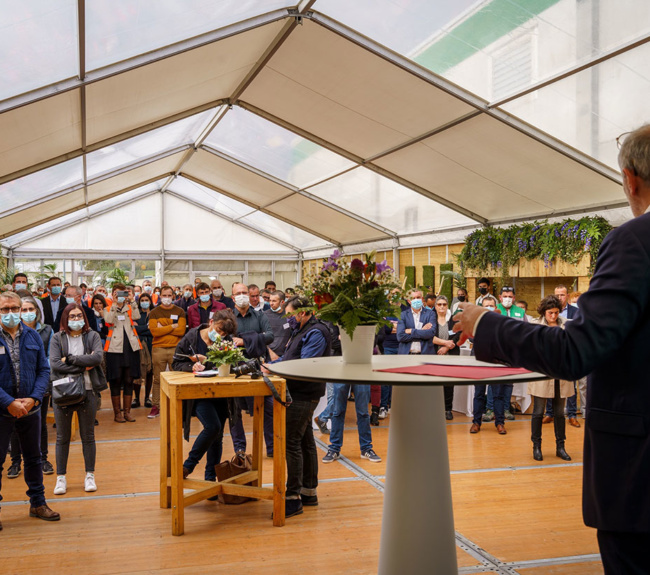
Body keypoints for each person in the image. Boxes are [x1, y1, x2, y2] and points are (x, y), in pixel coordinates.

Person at [452, 122, 650, 575]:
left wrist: (486, 324)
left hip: (640, 477)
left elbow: (576, 351)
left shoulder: (636, 241)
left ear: (630, 180)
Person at [264, 296, 332, 518]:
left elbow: (303, 365)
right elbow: (289, 356)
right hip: (299, 392)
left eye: (290, 314)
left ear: (303, 313)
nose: (288, 319)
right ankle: (308, 492)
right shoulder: (301, 330)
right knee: (304, 440)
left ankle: (292, 499)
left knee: (291, 442)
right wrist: (268, 366)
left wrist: (273, 370)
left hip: (303, 393)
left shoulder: (316, 332)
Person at [0, 291, 60, 526]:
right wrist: (9, 402)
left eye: (15, 308)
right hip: (2, 409)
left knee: (34, 458)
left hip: (30, 409)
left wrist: (34, 398)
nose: (11, 313)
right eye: (5, 309)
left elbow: (43, 370)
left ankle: (38, 503)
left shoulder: (33, 336)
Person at [172, 310, 238, 481]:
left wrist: (215, 362)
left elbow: (233, 363)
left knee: (217, 437)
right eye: (218, 329)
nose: (221, 335)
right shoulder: (191, 338)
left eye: (224, 333)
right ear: (211, 322)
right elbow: (176, 363)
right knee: (212, 427)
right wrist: (191, 366)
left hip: (221, 394)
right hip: (199, 394)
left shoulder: (226, 340)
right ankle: (188, 465)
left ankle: (210, 479)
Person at [49, 303, 104, 495]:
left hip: (88, 391)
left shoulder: (93, 336)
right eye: (71, 316)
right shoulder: (57, 338)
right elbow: (55, 364)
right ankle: (61, 478)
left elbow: (97, 358)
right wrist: (82, 364)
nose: (75, 319)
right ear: (65, 319)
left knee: (88, 436)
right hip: (63, 392)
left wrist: (70, 359)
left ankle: (90, 475)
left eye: (78, 316)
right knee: (62, 438)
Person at [6, 296, 54, 479]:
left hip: (37, 388)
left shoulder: (44, 331)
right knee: (13, 427)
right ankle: (15, 462)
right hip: (12, 391)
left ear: (37, 311)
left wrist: (36, 392)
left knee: (39, 425)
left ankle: (43, 459)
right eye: (23, 309)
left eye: (29, 309)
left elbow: (46, 361)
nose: (27, 313)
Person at [526, 296, 574, 462]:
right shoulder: (534, 325)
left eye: (555, 313)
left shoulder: (567, 324)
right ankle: (536, 446)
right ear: (543, 312)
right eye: (550, 313)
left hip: (562, 374)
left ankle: (560, 447)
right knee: (538, 411)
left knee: (560, 413)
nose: (553, 316)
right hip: (542, 374)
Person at [229, 283, 274, 456]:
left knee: (267, 408)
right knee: (234, 410)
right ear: (232, 297)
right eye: (238, 293)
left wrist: (243, 340)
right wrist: (256, 338)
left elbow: (270, 336)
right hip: (234, 368)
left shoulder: (259, 316)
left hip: (257, 366)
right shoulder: (228, 317)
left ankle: (270, 448)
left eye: (244, 292)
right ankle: (239, 448)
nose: (242, 295)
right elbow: (221, 337)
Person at [468, 296, 508, 435]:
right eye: (486, 305)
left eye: (491, 305)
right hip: (479, 362)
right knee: (479, 393)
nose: (489, 308)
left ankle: (500, 423)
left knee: (498, 394)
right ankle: (476, 422)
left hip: (496, 362)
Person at [103, 284, 142, 423]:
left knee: (129, 380)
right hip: (114, 349)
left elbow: (137, 316)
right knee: (116, 380)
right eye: (116, 293)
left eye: (122, 293)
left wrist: (132, 301)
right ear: (112, 294)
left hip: (130, 347)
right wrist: (114, 304)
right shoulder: (107, 308)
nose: (120, 296)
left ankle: (127, 412)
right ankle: (117, 413)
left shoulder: (130, 308)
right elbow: (108, 320)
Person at [147, 286, 186, 418]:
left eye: (169, 295)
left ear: (173, 296)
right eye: (164, 295)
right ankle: (156, 406)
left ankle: (178, 404)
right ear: (160, 296)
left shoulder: (180, 311)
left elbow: (181, 331)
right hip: (158, 349)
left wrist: (163, 326)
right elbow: (154, 332)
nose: (167, 298)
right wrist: (172, 325)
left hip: (176, 348)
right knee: (157, 379)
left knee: (177, 377)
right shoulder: (154, 312)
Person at [431, 295, 460, 420]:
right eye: (439, 304)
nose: (442, 307)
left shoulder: (453, 319)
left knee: (449, 385)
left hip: (450, 355)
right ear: (435, 306)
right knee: (434, 384)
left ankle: (448, 409)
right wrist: (444, 343)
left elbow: (458, 334)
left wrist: (447, 347)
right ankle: (435, 409)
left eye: (444, 304)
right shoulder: (430, 318)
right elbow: (428, 336)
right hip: (434, 356)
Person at [132, 293, 154, 409]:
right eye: (142, 300)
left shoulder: (154, 313)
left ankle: (147, 398)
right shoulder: (136, 314)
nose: (144, 302)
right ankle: (136, 398)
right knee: (137, 372)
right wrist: (147, 327)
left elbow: (154, 331)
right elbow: (133, 329)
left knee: (150, 372)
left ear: (150, 301)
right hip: (138, 345)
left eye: (146, 300)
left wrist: (141, 329)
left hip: (152, 344)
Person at [264, 290, 291, 361]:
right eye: (270, 300)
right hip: (269, 356)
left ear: (282, 302)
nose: (271, 303)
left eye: (274, 301)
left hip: (286, 356)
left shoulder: (288, 315)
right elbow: (260, 337)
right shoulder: (264, 316)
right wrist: (270, 353)